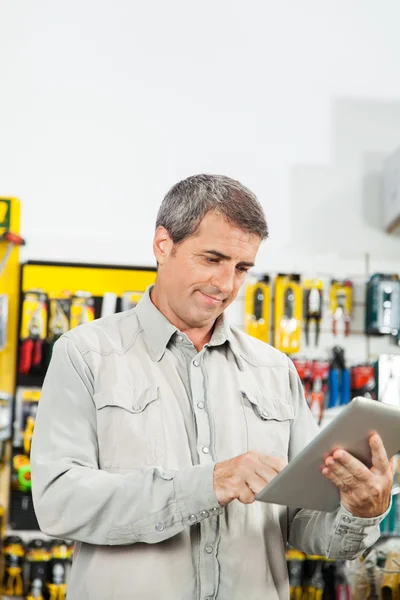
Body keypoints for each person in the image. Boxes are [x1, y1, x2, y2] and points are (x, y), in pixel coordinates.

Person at [31, 174, 394, 600]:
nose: (227, 285)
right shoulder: (85, 354)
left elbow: (301, 522)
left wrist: (359, 510)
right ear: (163, 245)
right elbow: (59, 502)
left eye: (242, 268)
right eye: (212, 259)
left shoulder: (274, 370)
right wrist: (206, 484)